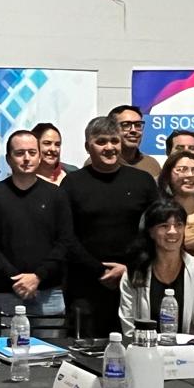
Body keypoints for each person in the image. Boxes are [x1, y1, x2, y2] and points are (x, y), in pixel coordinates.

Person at [62, 116, 160, 336]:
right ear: (87, 147)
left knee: (134, 346)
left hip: (134, 282)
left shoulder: (143, 181)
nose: (109, 147)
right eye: (101, 142)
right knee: (84, 348)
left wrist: (128, 269)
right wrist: (100, 271)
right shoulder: (72, 183)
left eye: (114, 141)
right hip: (85, 285)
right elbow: (66, 236)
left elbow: (154, 231)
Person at [0, 130, 74, 329]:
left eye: (32, 152)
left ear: (39, 156)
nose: (27, 158)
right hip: (5, 293)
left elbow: (65, 241)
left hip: (49, 292)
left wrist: (38, 276)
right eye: (20, 153)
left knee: (52, 350)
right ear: (8, 159)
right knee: (6, 349)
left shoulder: (56, 195)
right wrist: (17, 279)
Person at [119, 200, 194, 337]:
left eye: (179, 225)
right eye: (164, 226)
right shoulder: (134, 272)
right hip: (145, 346)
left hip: (188, 347)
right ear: (151, 232)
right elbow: (128, 325)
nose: (172, 231)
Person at [109, 104, 162, 179]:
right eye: (126, 125)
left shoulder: (151, 164)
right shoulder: (101, 163)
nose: (133, 130)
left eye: (138, 125)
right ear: (111, 129)